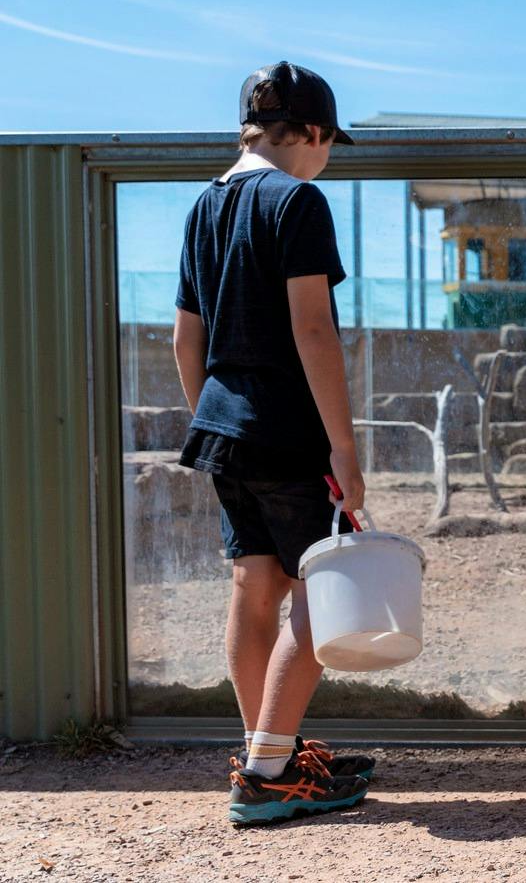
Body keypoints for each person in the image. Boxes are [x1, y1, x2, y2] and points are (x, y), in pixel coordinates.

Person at [171, 61, 374, 825]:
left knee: (254, 588)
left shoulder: (204, 206)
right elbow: (312, 327)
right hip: (288, 429)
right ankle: (266, 775)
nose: (327, 158)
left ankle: (272, 753)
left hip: (221, 426)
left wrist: (214, 421)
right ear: (313, 134)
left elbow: (182, 340)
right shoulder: (298, 200)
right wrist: (343, 451)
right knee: (320, 593)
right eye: (330, 145)